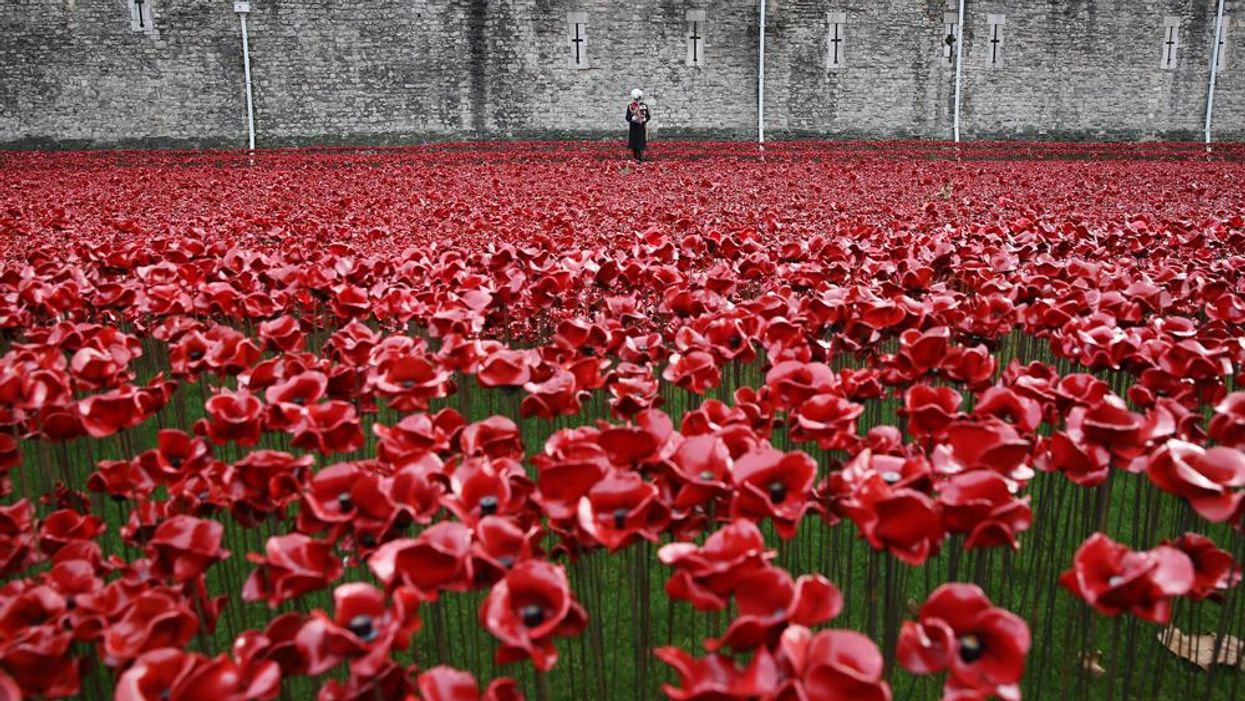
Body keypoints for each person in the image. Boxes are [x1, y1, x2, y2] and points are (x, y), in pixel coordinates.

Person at [625, 89, 651, 162]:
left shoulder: (644, 106)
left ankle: (640, 158)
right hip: (634, 128)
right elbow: (627, 117)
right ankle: (635, 158)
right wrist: (633, 118)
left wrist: (644, 119)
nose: (637, 100)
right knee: (634, 144)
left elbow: (648, 116)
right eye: (636, 99)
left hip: (641, 127)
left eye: (638, 99)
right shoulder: (630, 106)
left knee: (640, 144)